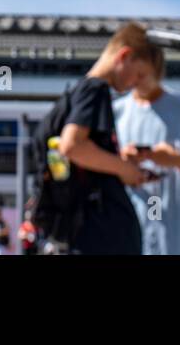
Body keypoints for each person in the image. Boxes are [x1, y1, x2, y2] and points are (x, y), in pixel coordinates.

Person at [53, 23, 158, 254]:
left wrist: (118, 161)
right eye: (138, 75)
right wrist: (124, 169)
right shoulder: (96, 89)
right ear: (125, 55)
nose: (134, 85)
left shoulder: (75, 94)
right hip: (102, 237)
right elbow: (71, 146)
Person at [114, 48, 180, 254]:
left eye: (142, 75)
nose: (136, 81)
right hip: (136, 219)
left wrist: (177, 160)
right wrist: (122, 164)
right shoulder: (118, 111)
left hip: (176, 227)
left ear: (158, 72)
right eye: (134, 74)